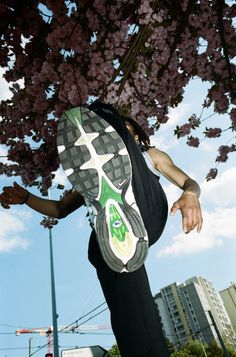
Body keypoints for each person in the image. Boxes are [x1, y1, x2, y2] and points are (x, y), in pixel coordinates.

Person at [0, 101, 202, 357]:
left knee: (107, 120)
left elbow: (188, 181)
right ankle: (111, 216)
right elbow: (60, 209)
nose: (106, 140)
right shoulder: (91, 174)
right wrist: (26, 198)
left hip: (148, 211)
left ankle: (107, 125)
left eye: (121, 131)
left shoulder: (152, 155)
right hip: (114, 242)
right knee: (130, 317)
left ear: (137, 135)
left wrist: (191, 195)